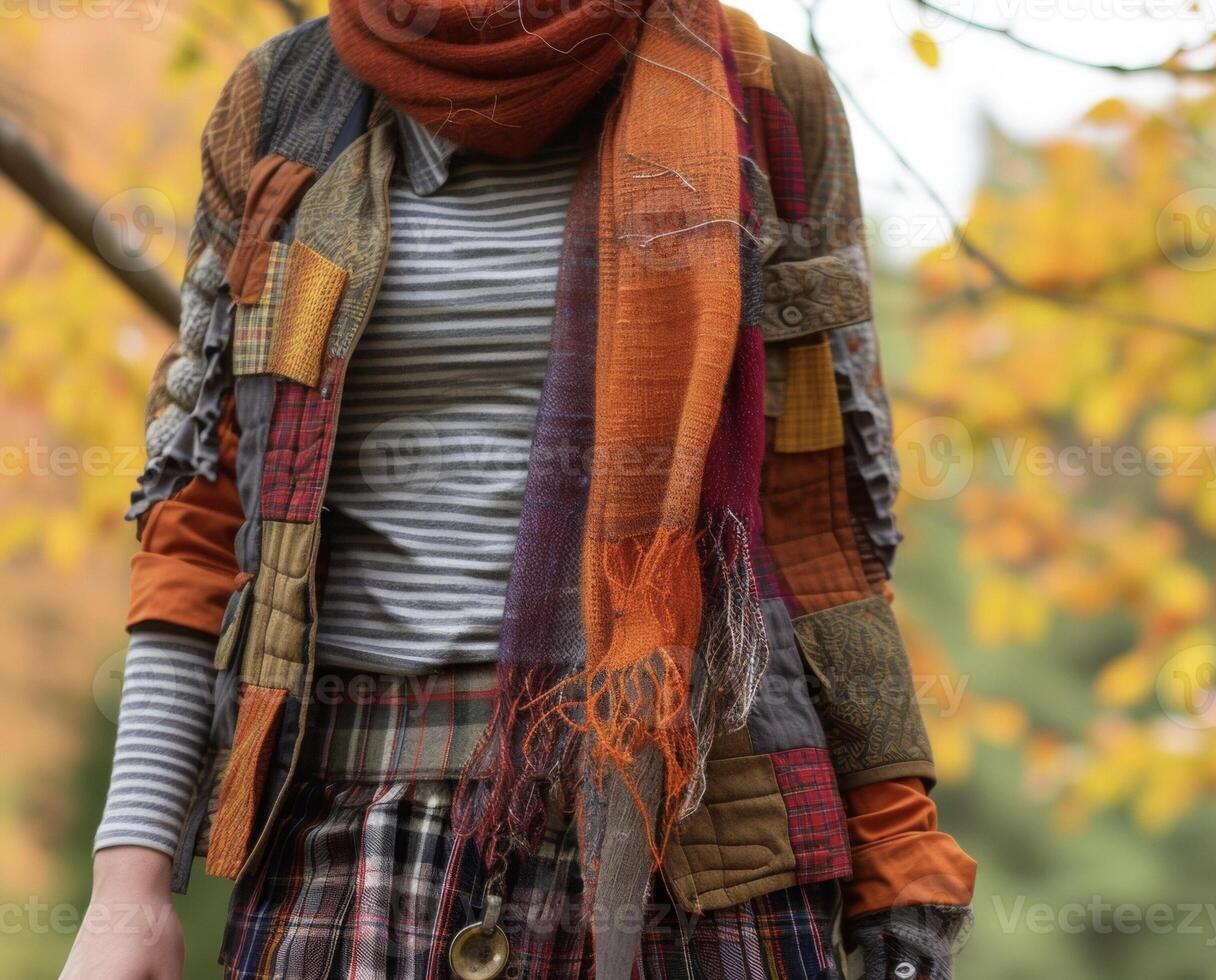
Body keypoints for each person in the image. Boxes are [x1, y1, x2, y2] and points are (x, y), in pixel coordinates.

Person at [60, 2, 975, 977]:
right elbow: (201, 507)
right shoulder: (283, 100)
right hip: (349, 839)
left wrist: (900, 851)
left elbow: (821, 524)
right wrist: (130, 882)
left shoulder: (762, 94)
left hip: (700, 842)